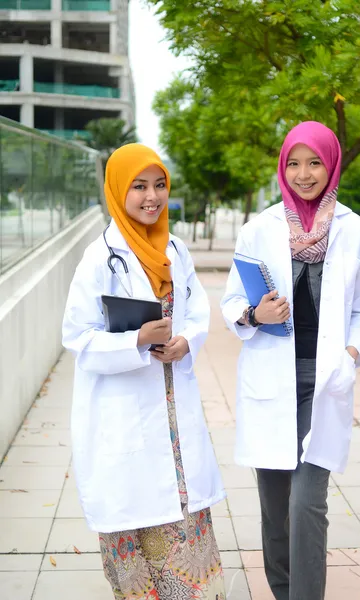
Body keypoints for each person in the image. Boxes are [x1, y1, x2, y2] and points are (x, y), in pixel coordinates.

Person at [221, 121, 360, 600]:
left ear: (331, 165)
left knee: (307, 501)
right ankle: (283, 590)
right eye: (294, 162)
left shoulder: (355, 232)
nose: (304, 173)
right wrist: (255, 313)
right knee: (274, 506)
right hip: (272, 379)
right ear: (282, 167)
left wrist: (352, 352)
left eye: (315, 162)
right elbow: (232, 303)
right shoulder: (258, 229)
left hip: (324, 380)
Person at [62, 143, 226, 600]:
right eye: (139, 186)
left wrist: (185, 342)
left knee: (189, 571)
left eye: (159, 185)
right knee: (137, 562)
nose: (151, 196)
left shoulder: (176, 250)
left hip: (176, 426)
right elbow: (77, 337)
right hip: (124, 424)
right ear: (117, 190)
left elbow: (197, 313)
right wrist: (135, 341)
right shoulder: (99, 259)